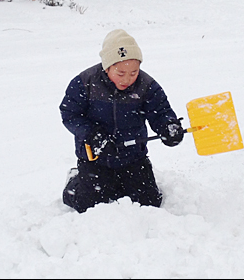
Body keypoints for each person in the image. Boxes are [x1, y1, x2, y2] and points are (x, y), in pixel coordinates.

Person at [59, 29, 185, 213]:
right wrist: (92, 133)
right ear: (107, 66)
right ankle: (75, 179)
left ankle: (120, 183)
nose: (127, 79)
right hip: (96, 159)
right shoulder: (84, 82)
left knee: (149, 203)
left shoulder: (147, 85)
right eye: (120, 73)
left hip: (133, 158)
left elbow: (161, 112)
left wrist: (169, 127)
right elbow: (69, 114)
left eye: (134, 72)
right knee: (87, 205)